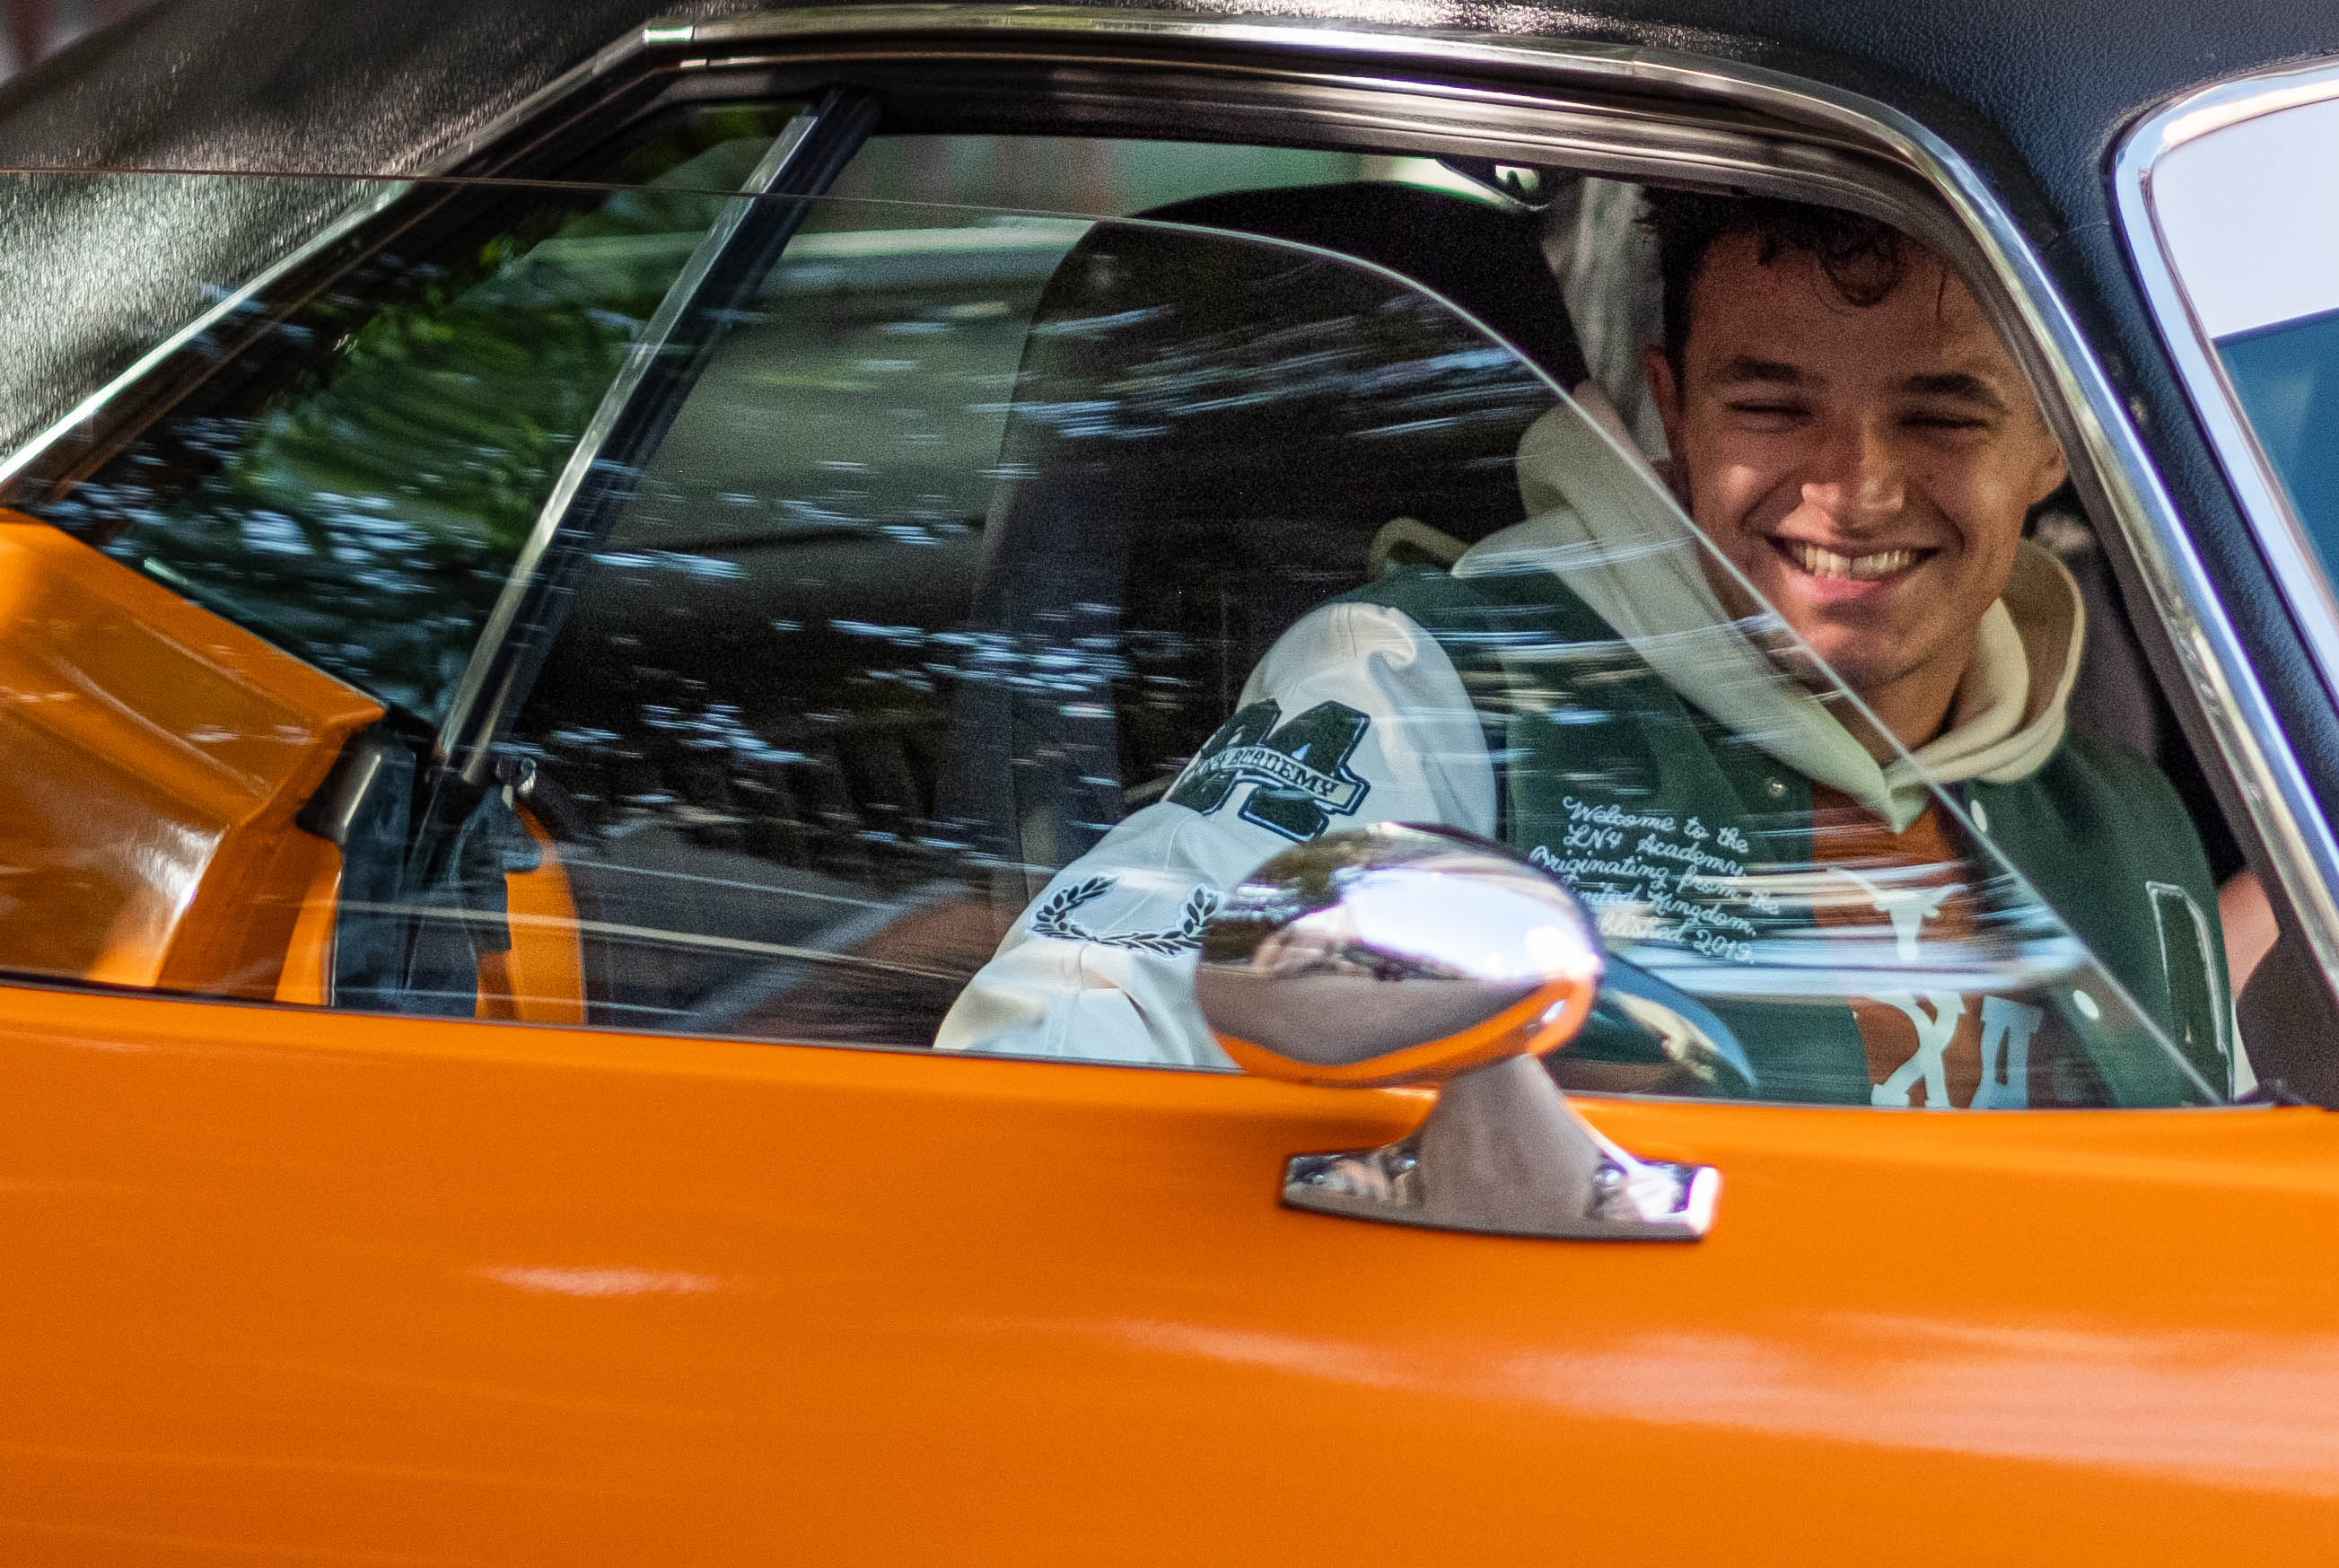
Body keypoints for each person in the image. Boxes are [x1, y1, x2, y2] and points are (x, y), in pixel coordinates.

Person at [936, 192, 2239, 1106]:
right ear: (1673, 414)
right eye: (1771, 406)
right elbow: (1064, 1032)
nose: (1855, 489)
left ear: (2057, 441)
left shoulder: (2126, 816)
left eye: (1942, 416)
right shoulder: (1432, 690)